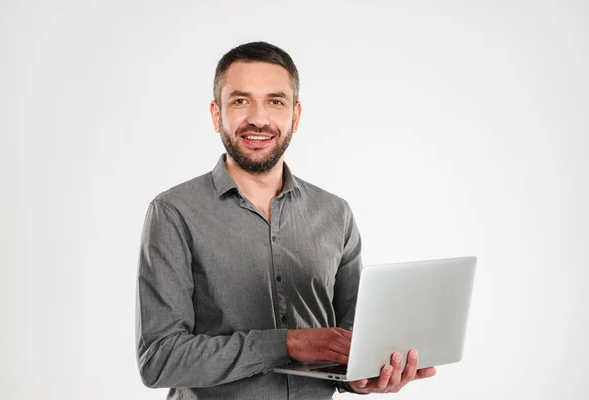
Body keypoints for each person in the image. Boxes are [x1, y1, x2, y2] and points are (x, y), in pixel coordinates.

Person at [135, 41, 436, 399]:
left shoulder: (335, 214)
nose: (259, 119)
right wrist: (287, 343)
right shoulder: (174, 212)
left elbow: (350, 341)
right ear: (217, 114)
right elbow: (159, 360)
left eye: (275, 101)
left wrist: (361, 377)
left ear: (295, 115)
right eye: (240, 101)